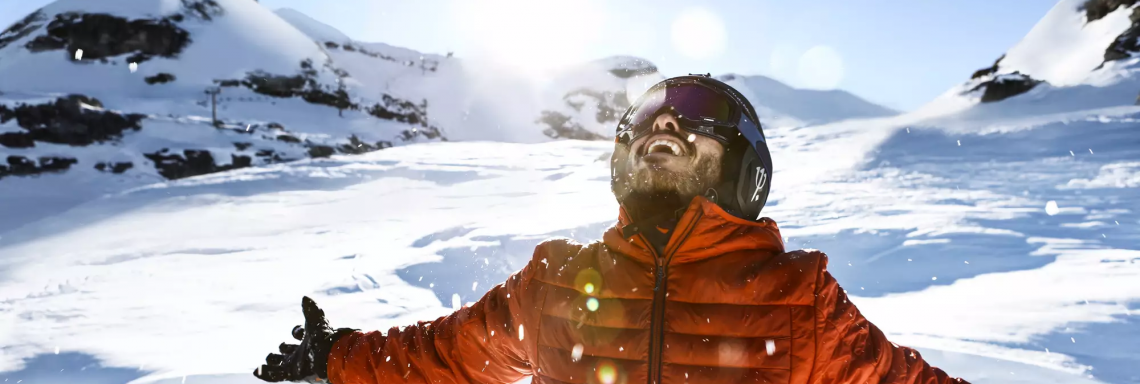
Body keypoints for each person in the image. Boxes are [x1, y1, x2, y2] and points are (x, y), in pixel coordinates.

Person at [253, 75, 966, 384]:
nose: (664, 120)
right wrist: (338, 357)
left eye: (694, 111)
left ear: (743, 159)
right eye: (652, 111)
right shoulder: (558, 279)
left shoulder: (798, 298)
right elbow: (449, 358)